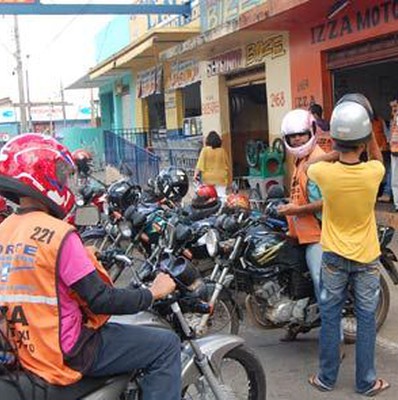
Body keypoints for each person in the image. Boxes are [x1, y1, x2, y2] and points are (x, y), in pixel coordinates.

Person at [0, 134, 181, 400]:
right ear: (43, 177)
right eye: (62, 174)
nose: (66, 182)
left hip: (26, 347)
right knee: (165, 345)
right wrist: (153, 292)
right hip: (66, 350)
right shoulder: (59, 234)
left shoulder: (5, 229)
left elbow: (36, 273)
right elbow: (101, 300)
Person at [306, 95, 390, 396]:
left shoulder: (324, 173)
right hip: (367, 259)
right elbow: (379, 160)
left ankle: (326, 378)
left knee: (330, 318)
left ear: (335, 141)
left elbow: (311, 164)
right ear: (364, 140)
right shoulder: (373, 173)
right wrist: (370, 139)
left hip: (333, 258)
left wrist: (332, 153)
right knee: (366, 321)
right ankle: (366, 383)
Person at [277, 109, 326, 341]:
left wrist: (295, 210)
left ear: (311, 133)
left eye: (302, 135)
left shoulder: (317, 162)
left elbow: (326, 203)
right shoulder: (300, 160)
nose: (297, 139)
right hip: (300, 233)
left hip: (319, 234)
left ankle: (332, 338)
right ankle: (296, 319)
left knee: (320, 282)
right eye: (292, 136)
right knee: (289, 271)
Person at [194, 130, 231, 199]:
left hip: (208, 179)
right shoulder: (222, 151)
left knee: (209, 197)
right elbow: (227, 165)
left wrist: (195, 175)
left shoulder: (205, 150)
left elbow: (199, 165)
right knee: (221, 196)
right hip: (221, 178)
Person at [372, 111, 392, 202]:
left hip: (381, 149)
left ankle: (385, 193)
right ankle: (380, 193)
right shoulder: (378, 121)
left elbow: (386, 134)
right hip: (376, 149)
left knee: (385, 170)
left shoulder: (378, 121)